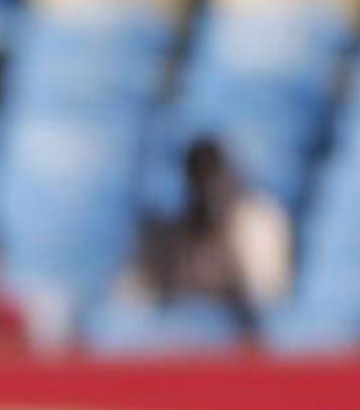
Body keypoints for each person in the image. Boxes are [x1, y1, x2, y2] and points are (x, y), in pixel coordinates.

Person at [114, 135, 291, 333]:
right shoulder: (161, 228)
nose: (205, 189)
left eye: (212, 177)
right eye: (198, 177)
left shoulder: (255, 222)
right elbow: (131, 301)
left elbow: (268, 295)